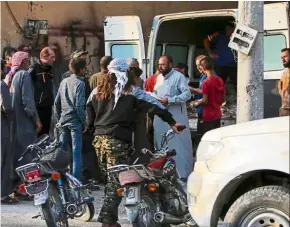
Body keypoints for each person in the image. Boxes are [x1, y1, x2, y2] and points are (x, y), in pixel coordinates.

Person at [86, 58, 183, 227]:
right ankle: (107, 222)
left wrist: (90, 127)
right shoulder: (131, 91)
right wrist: (173, 123)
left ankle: (110, 220)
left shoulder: (97, 91)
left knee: (111, 182)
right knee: (116, 182)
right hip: (116, 141)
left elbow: (88, 110)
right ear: (126, 73)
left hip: (99, 141)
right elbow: (154, 105)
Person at [153, 55, 193, 180]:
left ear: (170, 64)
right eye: (159, 64)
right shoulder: (159, 78)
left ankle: (182, 174)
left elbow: (187, 95)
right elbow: (156, 93)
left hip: (176, 116)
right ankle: (163, 173)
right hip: (161, 117)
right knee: (162, 144)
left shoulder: (178, 77)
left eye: (163, 64)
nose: (160, 67)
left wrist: (170, 100)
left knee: (179, 146)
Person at [10, 51, 42, 198]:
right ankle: (28, 190)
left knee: (18, 157)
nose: (29, 63)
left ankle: (17, 187)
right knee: (29, 157)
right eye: (27, 60)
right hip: (25, 124)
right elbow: (28, 102)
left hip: (13, 125)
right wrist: (36, 120)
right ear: (23, 62)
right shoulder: (24, 75)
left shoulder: (12, 77)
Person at [54, 58, 87, 181]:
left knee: (62, 154)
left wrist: (59, 118)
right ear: (82, 69)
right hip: (74, 122)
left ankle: (60, 180)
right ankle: (76, 181)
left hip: (63, 121)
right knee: (76, 153)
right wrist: (84, 122)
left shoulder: (64, 82)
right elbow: (79, 106)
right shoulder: (80, 84)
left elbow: (56, 103)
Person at [193, 56, 226, 135]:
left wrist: (195, 104)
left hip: (207, 116)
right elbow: (223, 99)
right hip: (217, 115)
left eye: (199, 66)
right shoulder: (219, 79)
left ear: (202, 67)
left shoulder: (206, 82)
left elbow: (205, 101)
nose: (198, 68)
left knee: (204, 138)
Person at [29, 47, 55, 136]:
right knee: (38, 135)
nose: (54, 59)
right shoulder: (34, 69)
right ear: (44, 57)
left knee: (46, 135)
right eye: (52, 57)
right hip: (38, 108)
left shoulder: (49, 70)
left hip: (48, 107)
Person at [204, 23, 237, 90]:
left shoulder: (238, 36)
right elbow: (205, 41)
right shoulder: (219, 34)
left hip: (234, 66)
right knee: (218, 86)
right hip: (220, 65)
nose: (228, 30)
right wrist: (210, 53)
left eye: (230, 29)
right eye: (227, 29)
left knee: (238, 85)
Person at [1, 72, 17, 204]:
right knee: (4, 159)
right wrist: (12, 120)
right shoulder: (1, 85)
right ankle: (2, 194)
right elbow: (7, 107)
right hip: (2, 126)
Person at [191, 55, 207, 143]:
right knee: (200, 133)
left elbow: (205, 94)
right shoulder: (203, 76)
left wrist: (191, 89)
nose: (197, 68)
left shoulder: (209, 78)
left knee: (203, 135)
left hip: (206, 111)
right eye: (196, 65)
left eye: (199, 65)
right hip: (201, 110)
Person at [278, 48, 290, 116]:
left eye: (285, 56)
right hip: (284, 108)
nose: (283, 59)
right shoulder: (285, 71)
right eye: (281, 57)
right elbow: (280, 85)